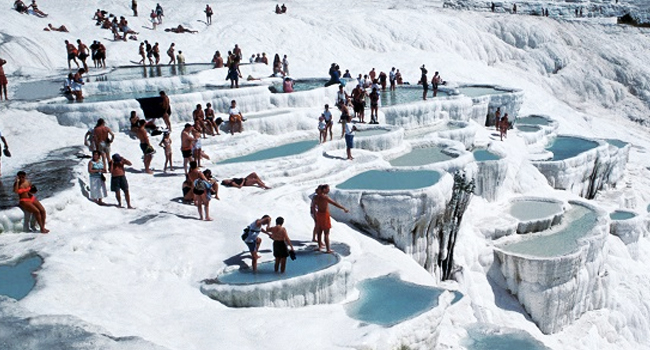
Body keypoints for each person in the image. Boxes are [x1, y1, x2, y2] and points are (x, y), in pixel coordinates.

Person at [312, 184, 348, 253]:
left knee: (319, 232)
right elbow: (334, 203)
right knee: (326, 233)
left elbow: (313, 207)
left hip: (319, 214)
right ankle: (328, 249)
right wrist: (343, 208)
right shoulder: (325, 197)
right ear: (324, 189)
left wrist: (315, 215)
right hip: (325, 216)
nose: (329, 190)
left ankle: (319, 247)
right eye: (328, 189)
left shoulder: (316, 197)